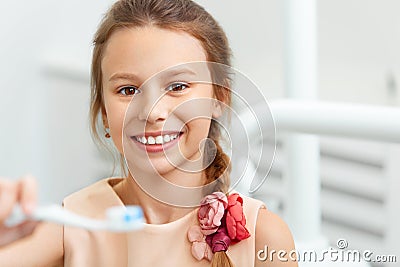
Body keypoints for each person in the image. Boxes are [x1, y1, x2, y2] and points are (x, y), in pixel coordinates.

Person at [0, 0, 297, 266]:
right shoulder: (69, 227)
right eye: (128, 90)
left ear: (219, 98)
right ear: (104, 112)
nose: (153, 112)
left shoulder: (264, 239)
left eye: (178, 86)